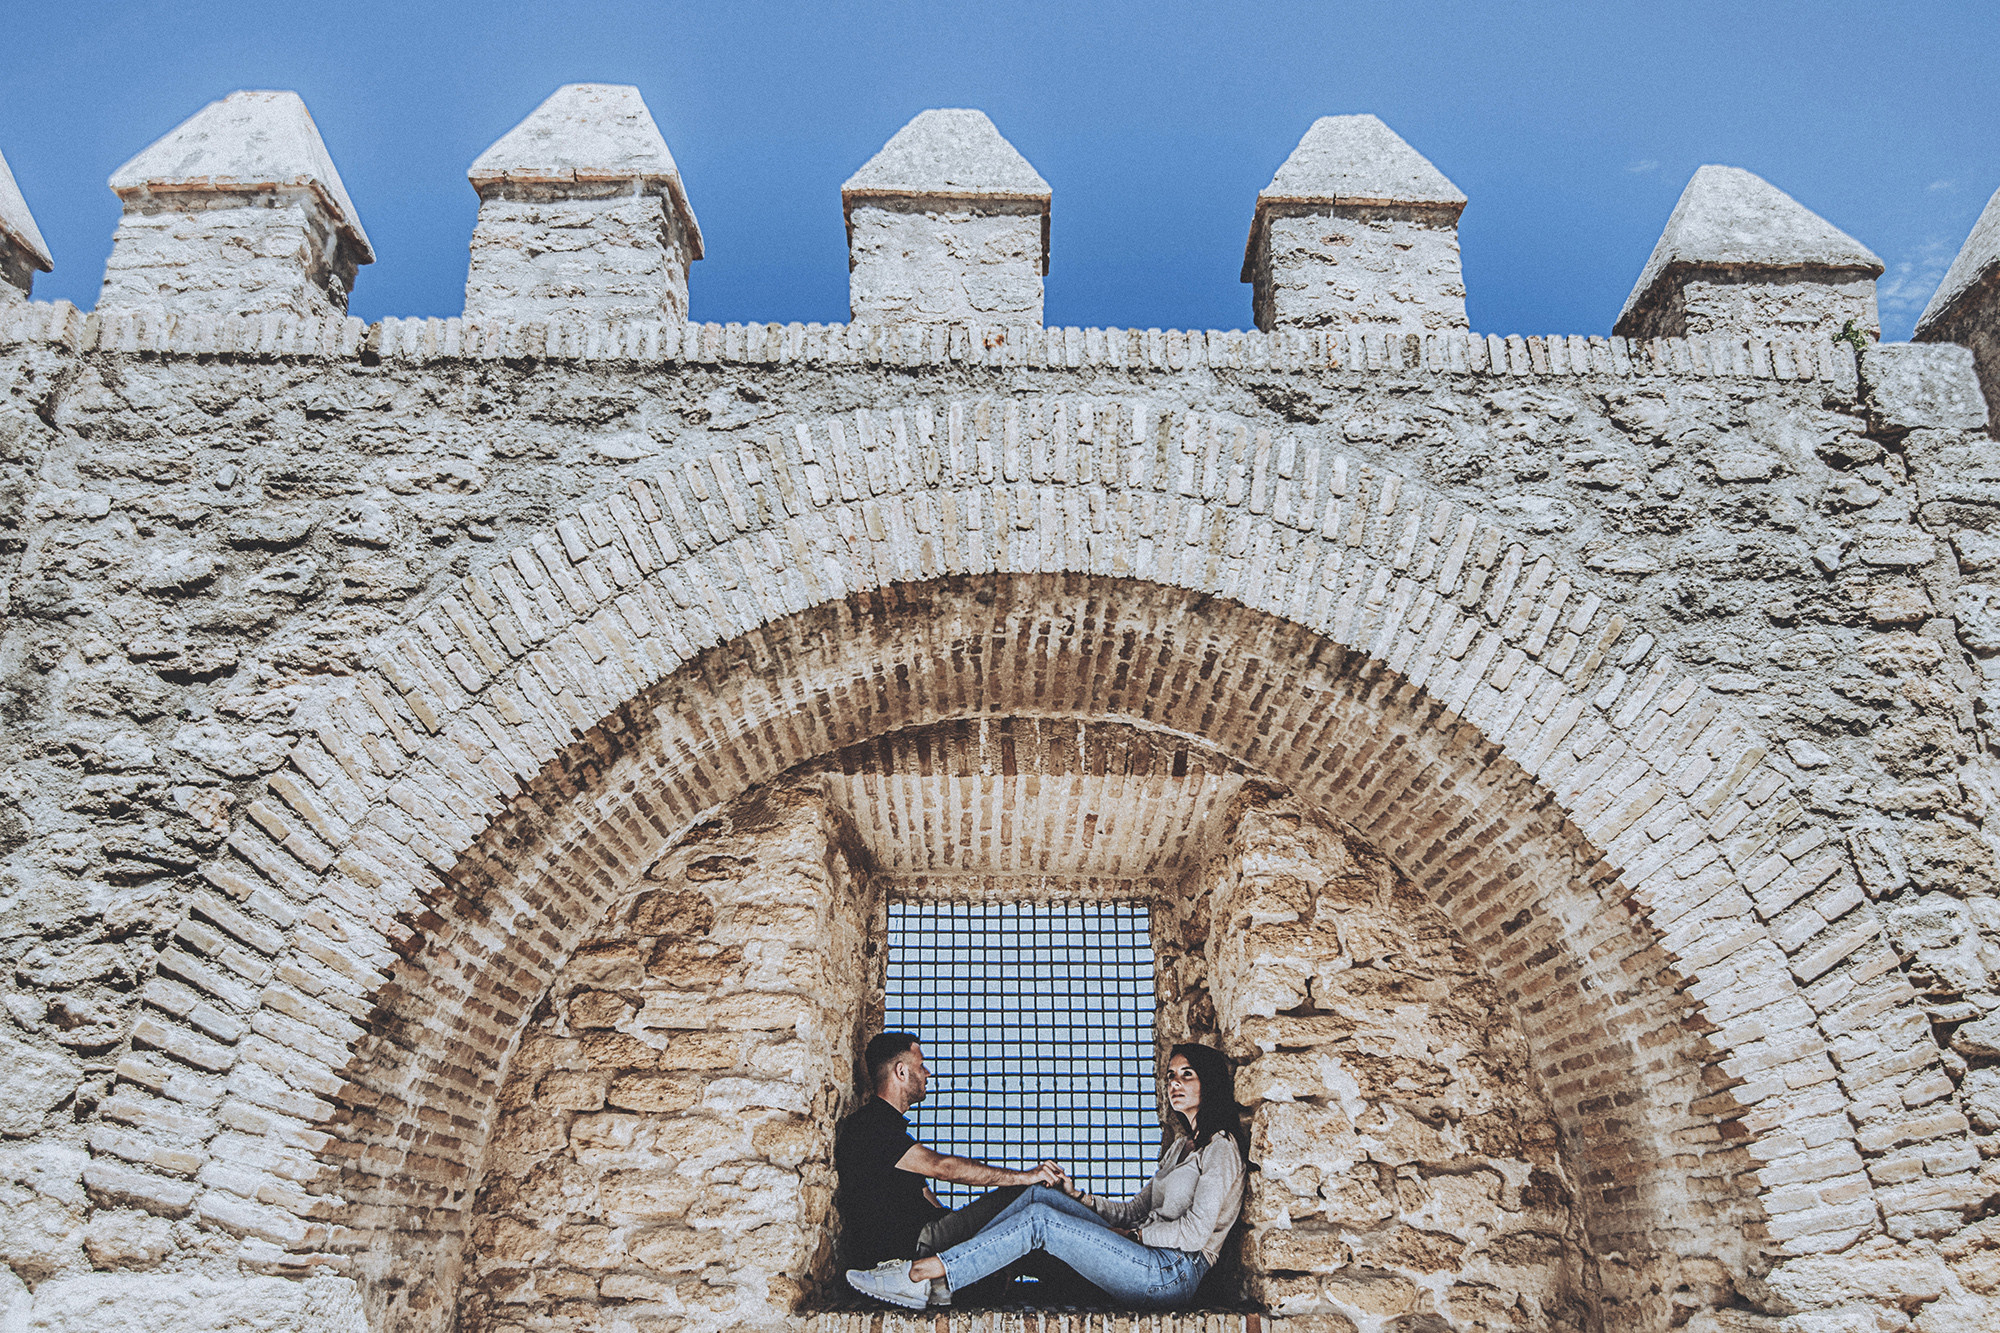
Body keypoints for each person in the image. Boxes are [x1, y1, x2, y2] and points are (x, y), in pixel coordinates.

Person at [845, 1042, 1247, 1311]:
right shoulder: (1180, 1149)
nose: (1175, 1083)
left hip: (1172, 1273)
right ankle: (943, 1280)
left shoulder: (1221, 1149)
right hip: (1144, 1256)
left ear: (1209, 1083)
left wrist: (1136, 1236)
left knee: (1040, 1222)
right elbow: (1132, 1211)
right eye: (1171, 1076)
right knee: (1040, 1197)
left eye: (1187, 1075)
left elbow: (1195, 1234)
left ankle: (919, 1274)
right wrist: (1077, 1196)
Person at [835, 1032, 1066, 1301]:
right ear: (901, 1072)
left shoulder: (892, 1135)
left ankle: (1078, 1280)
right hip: (909, 1248)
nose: (928, 1073)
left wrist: (980, 1240)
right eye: (921, 1066)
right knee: (1028, 1195)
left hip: (928, 1237)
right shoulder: (870, 1126)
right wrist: (1024, 1177)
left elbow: (930, 1201)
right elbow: (942, 1167)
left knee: (1028, 1233)